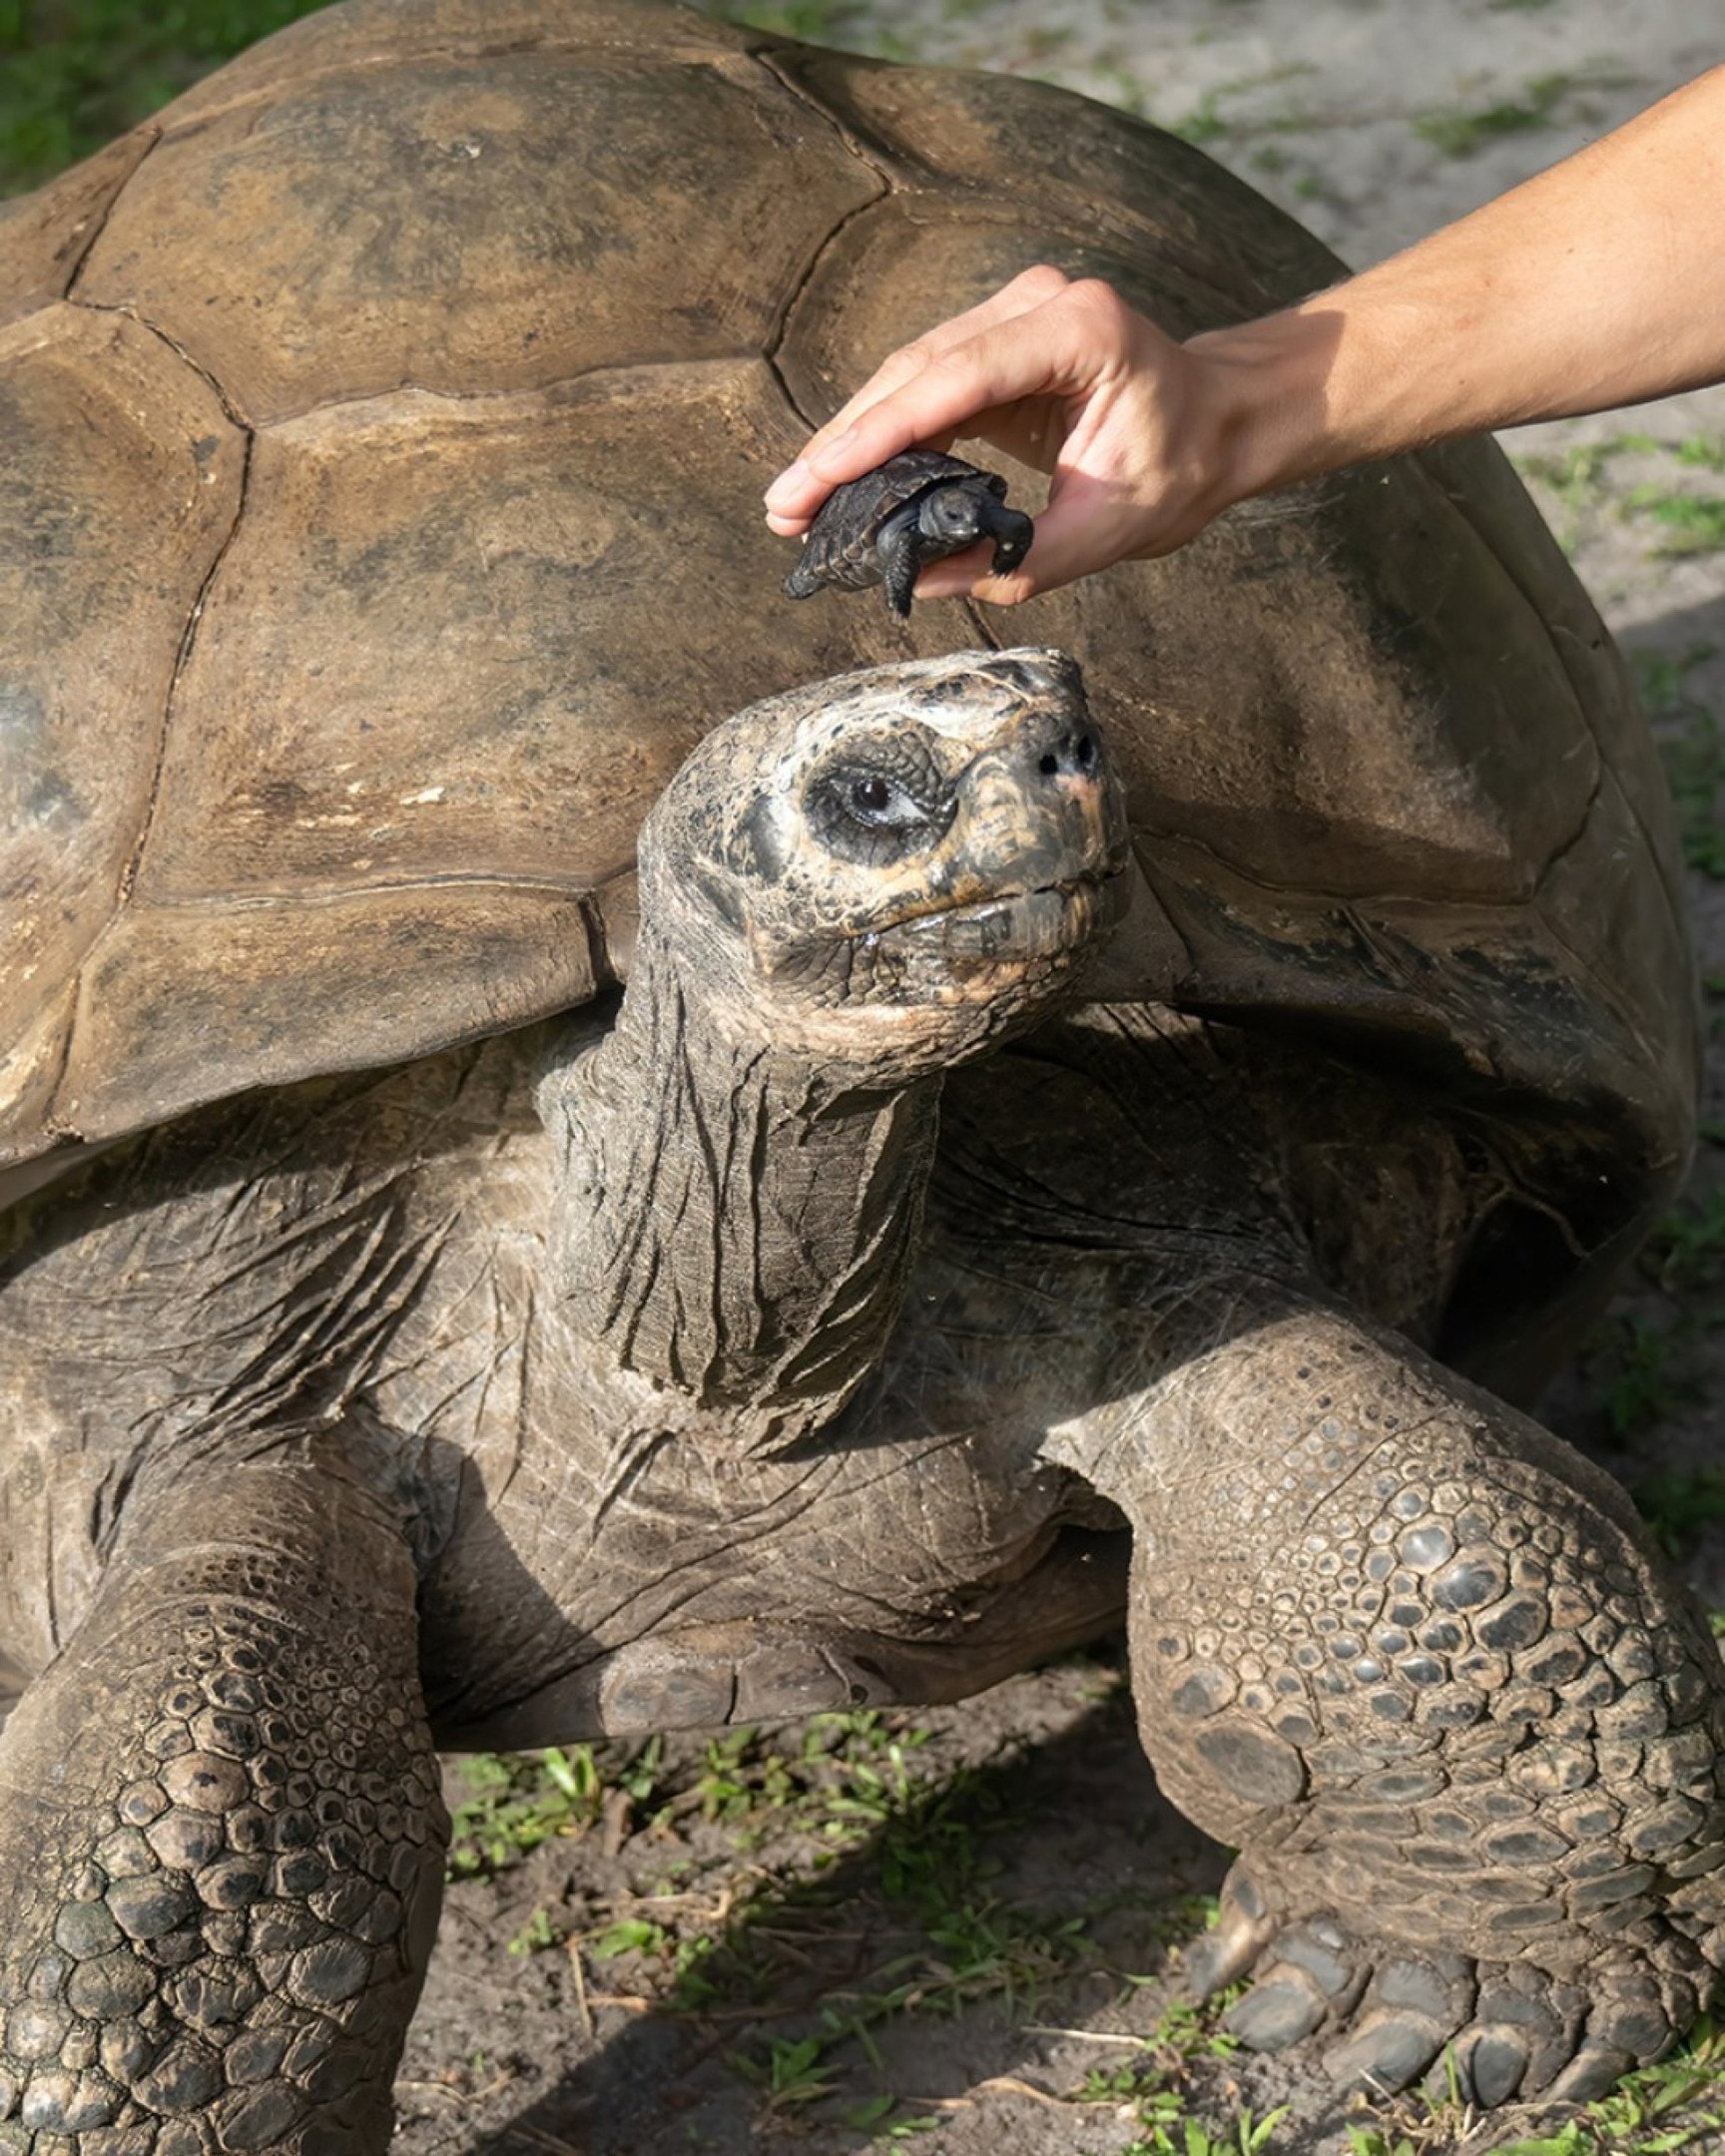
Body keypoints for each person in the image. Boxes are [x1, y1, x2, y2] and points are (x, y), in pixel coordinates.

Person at [764, 65, 1725, 606]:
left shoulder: (970, 507)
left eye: (970, 511)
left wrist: (1226, 412)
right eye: (964, 517)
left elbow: (997, 522)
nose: (975, 517)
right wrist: (1222, 406)